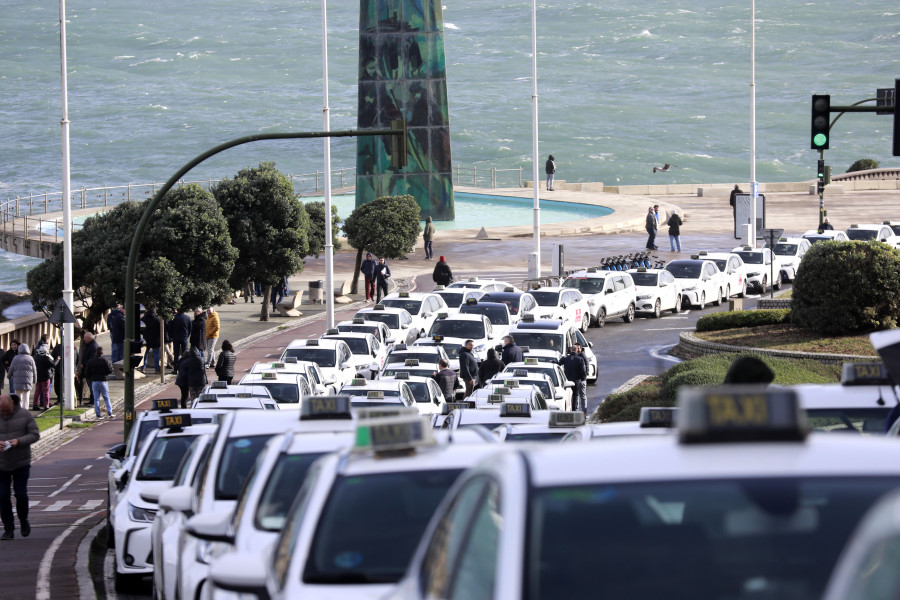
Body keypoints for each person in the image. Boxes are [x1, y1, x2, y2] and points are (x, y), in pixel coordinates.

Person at [0, 393, 40, 540]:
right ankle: (8, 529)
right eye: (1, 411)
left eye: (7, 411)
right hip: (1, 465)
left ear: (12, 405)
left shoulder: (25, 414)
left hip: (20, 462)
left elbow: (35, 434)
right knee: (3, 496)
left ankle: (24, 521)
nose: (4, 414)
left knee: (20, 494)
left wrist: (18, 441)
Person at [84, 346, 114, 419]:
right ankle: (110, 412)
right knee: (106, 397)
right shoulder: (105, 361)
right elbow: (110, 370)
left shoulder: (91, 361)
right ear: (102, 353)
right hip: (103, 381)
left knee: (96, 398)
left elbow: (87, 372)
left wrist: (91, 377)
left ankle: (98, 414)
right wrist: (105, 373)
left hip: (94, 381)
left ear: (96, 353)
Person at [558, 346, 587, 413]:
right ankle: (575, 411)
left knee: (567, 396)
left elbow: (559, 363)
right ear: (577, 350)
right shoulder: (580, 359)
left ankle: (568, 411)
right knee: (575, 396)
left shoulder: (565, 358)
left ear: (571, 350)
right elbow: (583, 372)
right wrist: (583, 379)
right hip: (576, 381)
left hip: (567, 381)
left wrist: (552, 361)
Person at [8, 345, 36, 412]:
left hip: (17, 381)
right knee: (26, 396)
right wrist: (35, 379)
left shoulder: (16, 358)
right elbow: (34, 370)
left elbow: (11, 368)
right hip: (27, 381)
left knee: (18, 396)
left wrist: (9, 376)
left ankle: (18, 410)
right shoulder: (30, 358)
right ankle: (25, 410)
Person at [32, 345, 56, 411]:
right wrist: (58, 359)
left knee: (37, 391)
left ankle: (35, 404)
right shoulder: (46, 358)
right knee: (46, 391)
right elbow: (53, 364)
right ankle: (46, 405)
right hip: (46, 376)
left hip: (38, 376)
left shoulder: (36, 357)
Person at [78, 332, 99, 407]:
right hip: (89, 370)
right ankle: (91, 401)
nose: (84, 339)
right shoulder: (90, 345)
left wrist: (83, 364)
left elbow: (92, 359)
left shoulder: (93, 346)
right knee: (91, 386)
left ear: (89, 338)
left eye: (85, 338)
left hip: (91, 371)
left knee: (92, 386)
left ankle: (93, 401)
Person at [141, 308, 161, 372]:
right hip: (155, 339)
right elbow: (160, 330)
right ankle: (157, 368)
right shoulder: (157, 320)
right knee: (156, 354)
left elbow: (140, 329)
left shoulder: (143, 319)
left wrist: (144, 333)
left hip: (146, 338)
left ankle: (143, 368)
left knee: (144, 354)